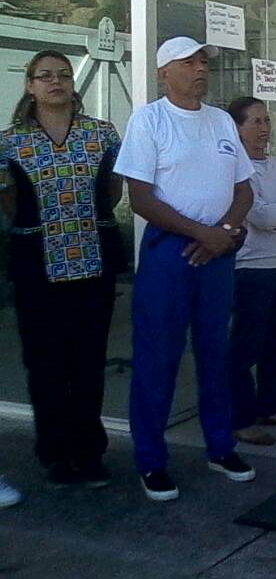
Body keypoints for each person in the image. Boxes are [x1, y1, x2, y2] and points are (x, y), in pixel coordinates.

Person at [115, 37, 256, 502]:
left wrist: (225, 230)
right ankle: (151, 461)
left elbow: (243, 188)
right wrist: (202, 232)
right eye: (188, 62)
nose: (200, 69)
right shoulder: (149, 120)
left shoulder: (219, 121)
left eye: (202, 62)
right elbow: (140, 198)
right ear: (163, 73)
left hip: (216, 252)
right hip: (170, 254)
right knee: (159, 357)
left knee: (215, 352)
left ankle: (221, 446)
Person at [0, 50, 124, 489]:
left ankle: (89, 452)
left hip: (93, 262)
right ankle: (54, 453)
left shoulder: (102, 134)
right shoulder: (9, 142)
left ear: (74, 84)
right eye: (45, 76)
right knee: (45, 362)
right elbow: (8, 201)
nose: (56, 82)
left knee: (88, 361)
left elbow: (113, 187)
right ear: (30, 85)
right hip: (37, 266)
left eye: (63, 75)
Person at [226, 97, 276, 446]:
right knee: (246, 347)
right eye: (255, 122)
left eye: (266, 121)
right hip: (253, 269)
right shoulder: (236, 169)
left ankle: (269, 405)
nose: (264, 128)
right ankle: (241, 418)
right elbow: (258, 216)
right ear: (238, 128)